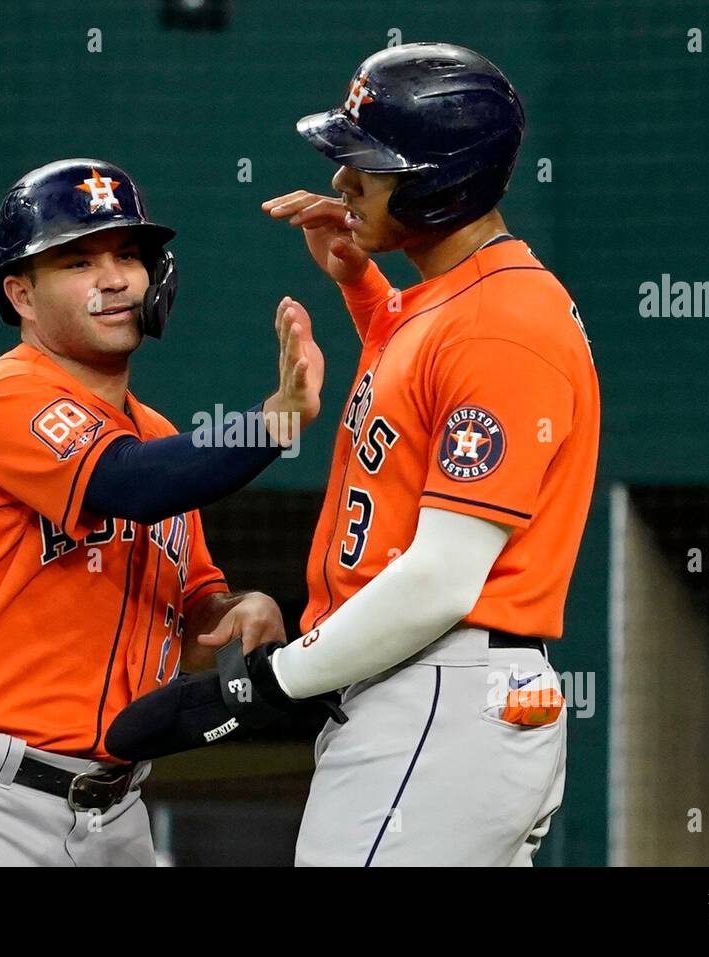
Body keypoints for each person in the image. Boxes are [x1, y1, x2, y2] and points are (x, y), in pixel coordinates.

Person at [108, 43, 600, 867]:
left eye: (367, 162)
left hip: (440, 690)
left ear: (445, 180)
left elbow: (443, 575)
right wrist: (362, 288)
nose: (341, 181)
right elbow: (420, 383)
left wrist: (260, 686)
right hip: (433, 697)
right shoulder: (452, 301)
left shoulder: (503, 321)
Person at [0, 158, 324, 866]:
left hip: (116, 814)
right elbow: (126, 483)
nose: (114, 278)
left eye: (128, 256)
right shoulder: (0, 395)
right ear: (20, 294)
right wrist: (273, 420)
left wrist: (232, 608)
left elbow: (194, 600)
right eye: (79, 261)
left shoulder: (160, 437)